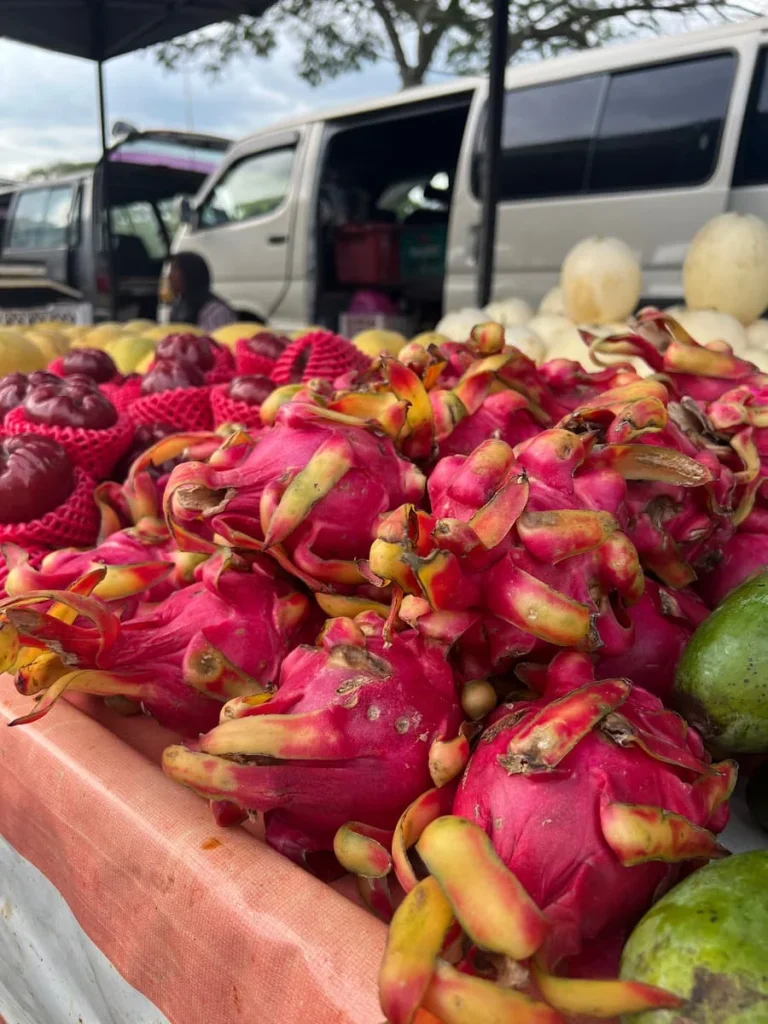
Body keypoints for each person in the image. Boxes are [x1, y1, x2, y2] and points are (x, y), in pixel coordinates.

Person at [167, 251, 237, 332]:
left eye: (175, 269)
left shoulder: (215, 311)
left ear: (190, 274)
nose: (169, 276)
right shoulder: (179, 305)